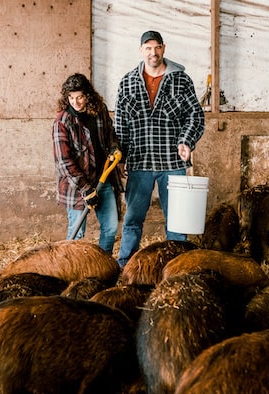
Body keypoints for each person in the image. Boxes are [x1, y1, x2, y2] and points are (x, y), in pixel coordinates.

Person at [115, 30, 205, 267]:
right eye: (147, 48)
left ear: (163, 48)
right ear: (140, 50)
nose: (152, 53)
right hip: (140, 162)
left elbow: (194, 116)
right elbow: (121, 124)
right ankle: (125, 266)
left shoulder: (181, 80)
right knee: (133, 219)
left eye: (156, 47)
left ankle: (174, 267)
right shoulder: (127, 82)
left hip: (171, 163)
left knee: (177, 221)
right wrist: (121, 157)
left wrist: (186, 141)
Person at [52, 73, 123, 254]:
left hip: (103, 179)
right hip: (77, 187)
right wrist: (86, 189)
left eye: (80, 97)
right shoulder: (62, 121)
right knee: (77, 235)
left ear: (88, 96)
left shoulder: (99, 111)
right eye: (71, 98)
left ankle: (102, 264)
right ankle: (70, 269)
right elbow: (64, 162)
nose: (75, 102)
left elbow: (110, 135)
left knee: (110, 227)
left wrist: (115, 148)